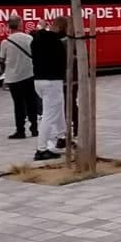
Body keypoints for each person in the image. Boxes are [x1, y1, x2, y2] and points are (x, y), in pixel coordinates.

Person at [32, 16, 69, 162]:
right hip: (52, 82)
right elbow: (62, 63)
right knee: (49, 115)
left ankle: (62, 136)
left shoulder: (37, 39)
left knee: (58, 109)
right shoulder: (57, 43)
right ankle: (41, 150)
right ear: (61, 28)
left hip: (38, 81)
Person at [1, 15, 39, 141]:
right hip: (29, 74)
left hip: (13, 77)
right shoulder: (29, 38)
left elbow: (2, 58)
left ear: (9, 26)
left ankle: (20, 130)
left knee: (18, 104)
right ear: (20, 25)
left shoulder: (5, 42)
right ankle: (34, 128)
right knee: (31, 101)